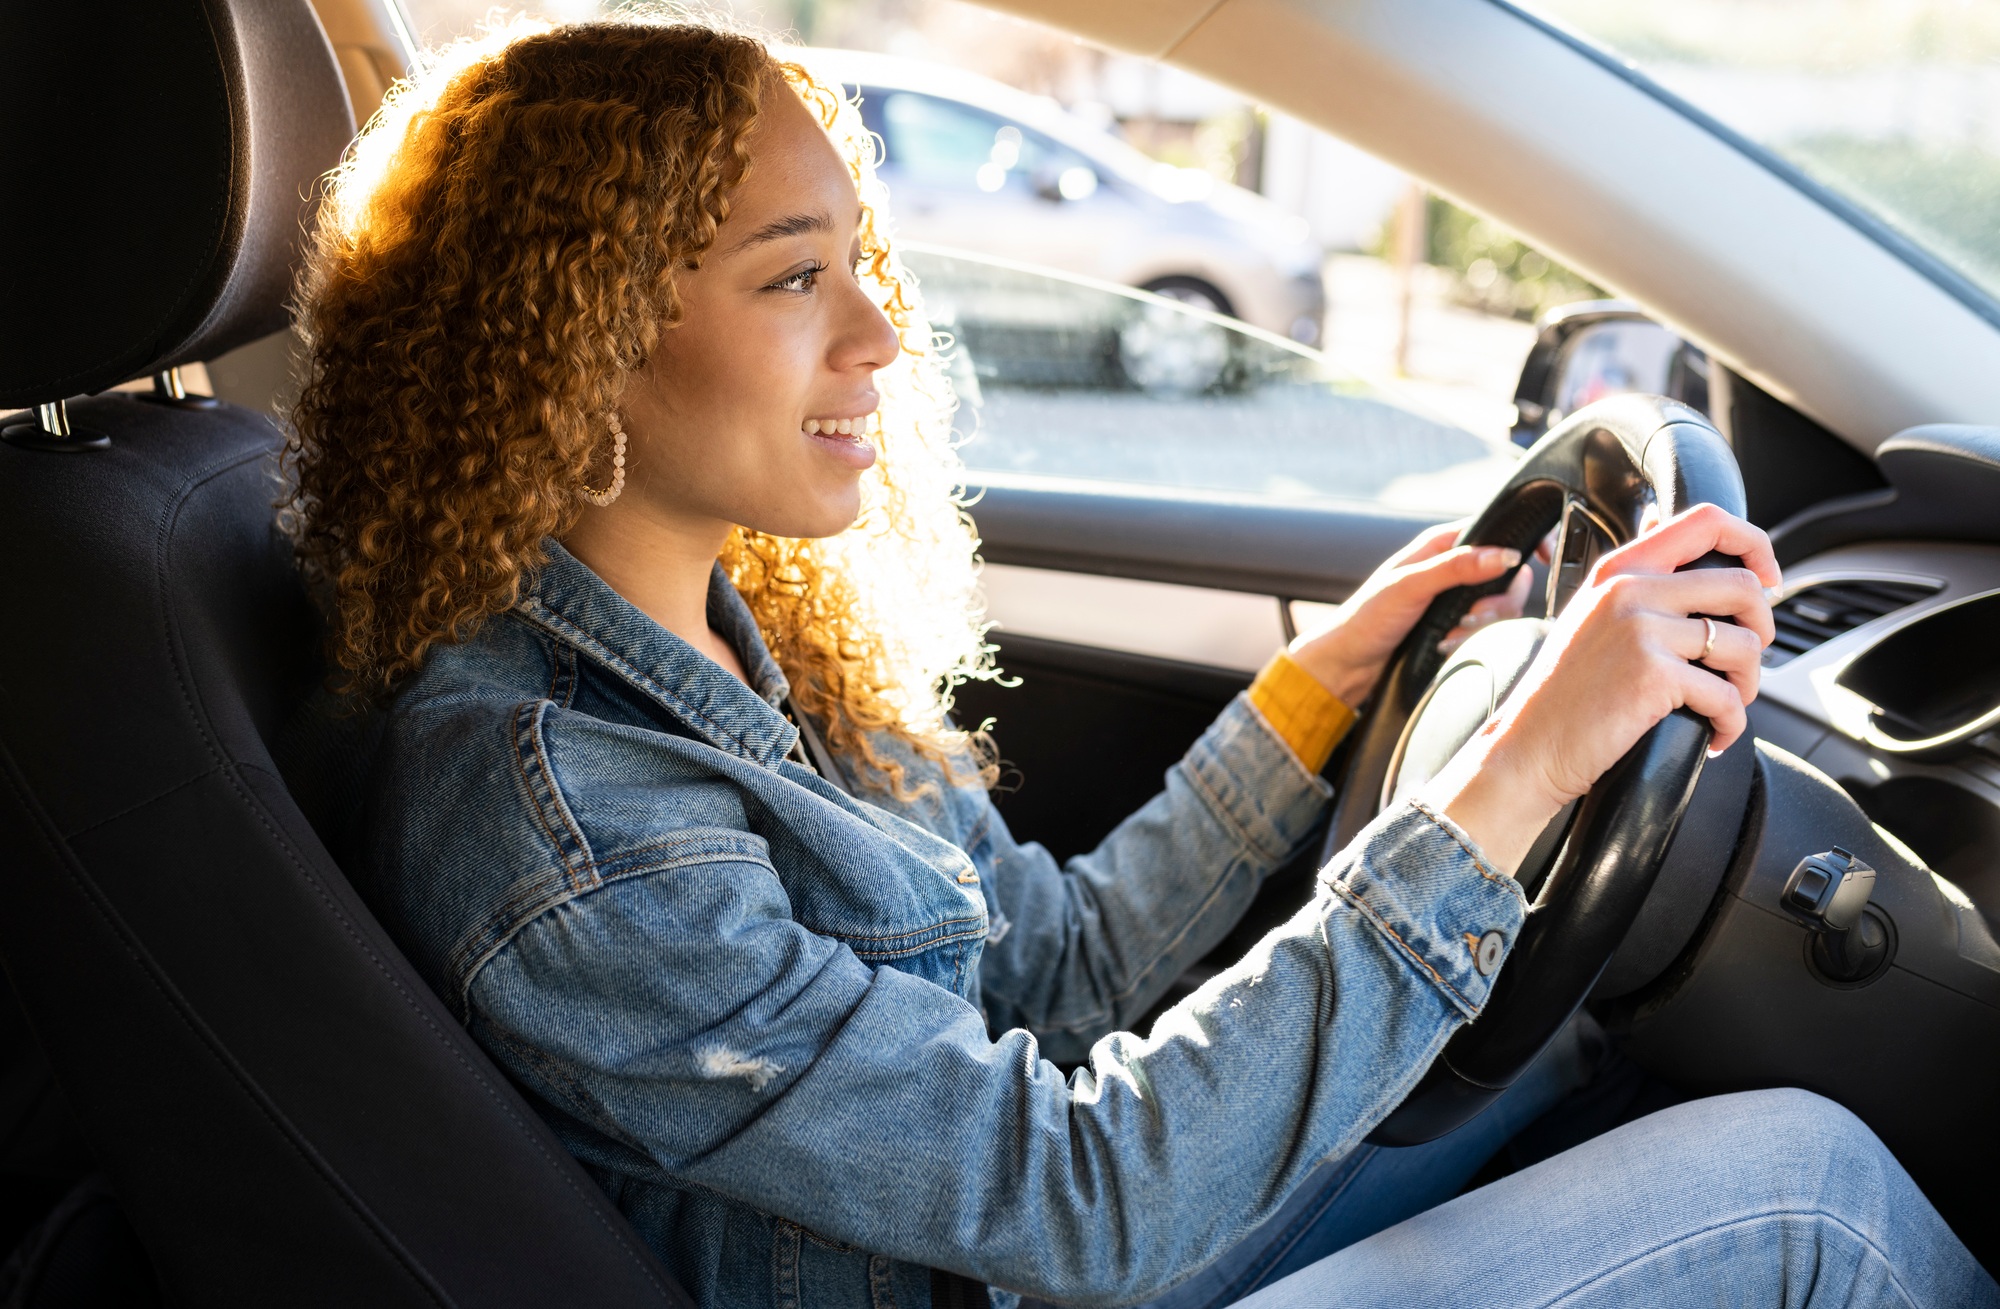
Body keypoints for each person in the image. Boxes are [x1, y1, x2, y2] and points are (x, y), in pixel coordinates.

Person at [281, 17, 1996, 1309]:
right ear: (578, 346)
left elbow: (1065, 970)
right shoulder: (569, 823)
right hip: (1069, 1260)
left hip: (1062, 1249)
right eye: (797, 279)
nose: (881, 333)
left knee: (1588, 1056)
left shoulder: (730, 651)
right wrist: (1516, 768)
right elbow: (1087, 1193)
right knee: (1807, 1193)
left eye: (858, 261)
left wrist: (1315, 694)